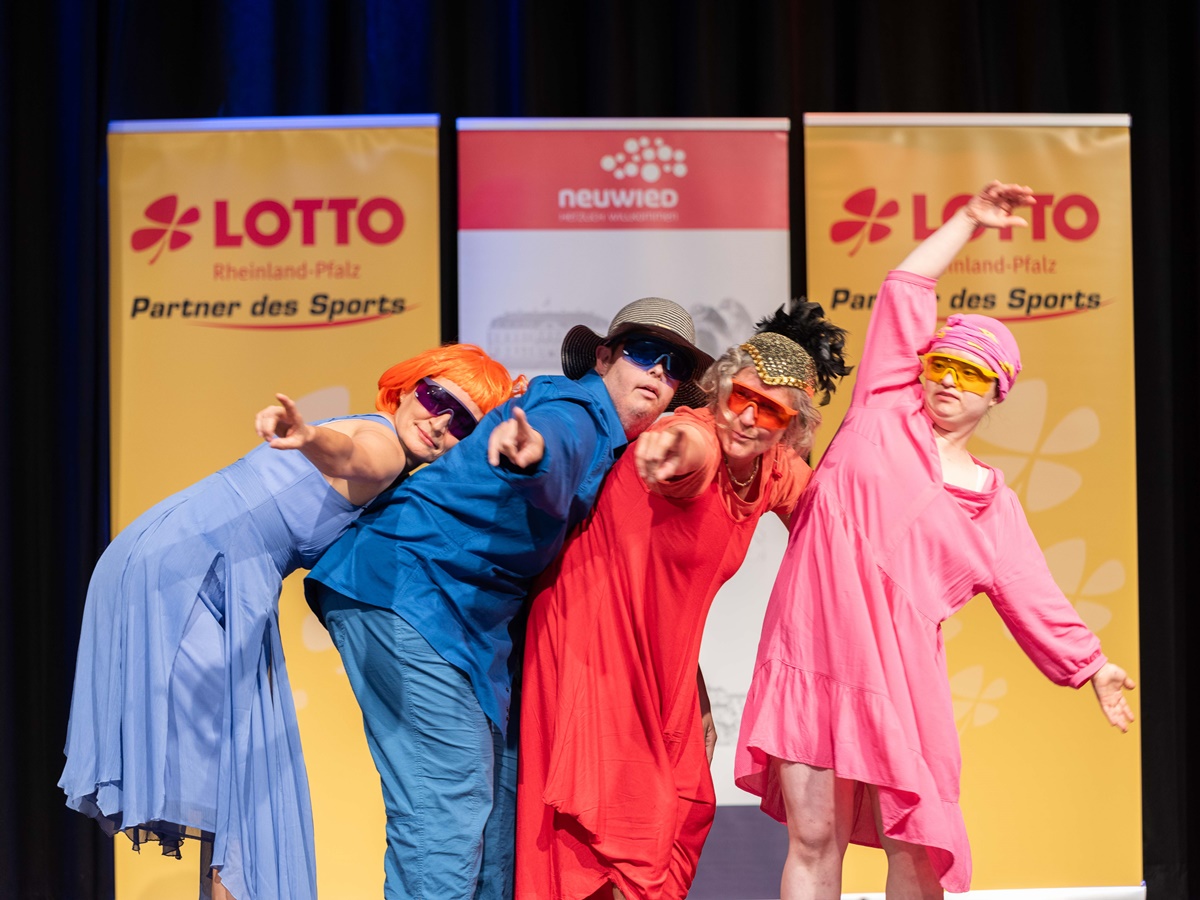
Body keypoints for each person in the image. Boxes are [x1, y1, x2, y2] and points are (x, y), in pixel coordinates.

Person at [733, 182, 1137, 899]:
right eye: (940, 364)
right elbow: (906, 287)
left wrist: (1093, 666)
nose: (948, 381)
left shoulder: (990, 503)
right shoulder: (884, 406)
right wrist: (967, 222)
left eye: (970, 373)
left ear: (996, 393)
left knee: (916, 849)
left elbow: (1033, 596)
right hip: (812, 652)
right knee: (814, 839)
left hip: (899, 681)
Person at [59, 344, 521, 900]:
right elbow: (356, 457)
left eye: (465, 421)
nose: (441, 422)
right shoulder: (385, 446)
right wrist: (310, 438)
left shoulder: (402, 464)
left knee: (237, 779)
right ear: (405, 389)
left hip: (184, 556)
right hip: (201, 571)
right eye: (435, 396)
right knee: (242, 783)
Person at [303, 297, 711, 900]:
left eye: (673, 366)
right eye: (644, 353)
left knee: (497, 822)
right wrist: (534, 457)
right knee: (452, 801)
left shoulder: (628, 456)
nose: (658, 373)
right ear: (603, 358)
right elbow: (556, 444)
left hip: (462, 628)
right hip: (411, 590)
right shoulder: (577, 411)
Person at [514, 302, 850, 900]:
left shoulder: (771, 469)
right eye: (737, 396)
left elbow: (834, 523)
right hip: (592, 644)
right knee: (613, 838)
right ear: (717, 391)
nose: (745, 417)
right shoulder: (696, 436)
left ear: (791, 429)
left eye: (768, 409)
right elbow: (687, 445)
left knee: (683, 816)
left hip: (664, 665)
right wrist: (669, 452)